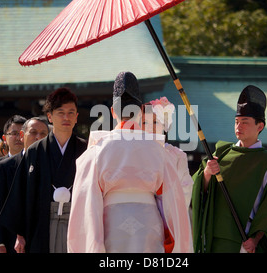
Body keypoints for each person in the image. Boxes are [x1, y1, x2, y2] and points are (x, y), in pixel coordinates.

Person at [67, 71, 192, 253]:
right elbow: (173, 202)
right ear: (141, 110)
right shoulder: (158, 150)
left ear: (112, 112)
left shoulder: (95, 151)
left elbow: (86, 206)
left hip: (112, 225)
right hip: (149, 226)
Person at [191, 85, 267, 253]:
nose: (239, 126)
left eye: (245, 122)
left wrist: (255, 238)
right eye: (236, 122)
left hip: (244, 240)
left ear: (260, 126)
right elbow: (196, 188)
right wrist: (207, 173)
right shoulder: (221, 153)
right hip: (215, 236)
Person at [0, 88, 87, 253]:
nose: (66, 117)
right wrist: (20, 234)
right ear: (50, 116)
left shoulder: (86, 148)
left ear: (76, 117)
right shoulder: (35, 151)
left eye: (71, 112)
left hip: (78, 220)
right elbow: (21, 193)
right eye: (60, 112)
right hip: (41, 222)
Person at [0, 116, 49, 253]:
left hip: (44, 236)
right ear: (22, 135)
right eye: (33, 132)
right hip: (12, 241)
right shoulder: (5, 166)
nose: (38, 137)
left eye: (43, 134)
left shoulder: (51, 164)